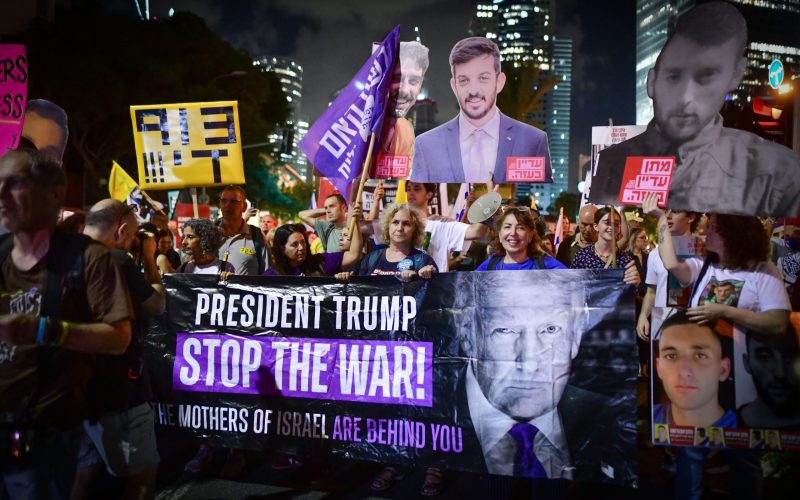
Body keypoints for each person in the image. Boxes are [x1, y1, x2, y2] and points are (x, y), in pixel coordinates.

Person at [0, 149, 133, 499]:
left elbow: (119, 337)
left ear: (54, 194)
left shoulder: (87, 258)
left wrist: (46, 330)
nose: (1, 195)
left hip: (47, 438)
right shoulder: (0, 254)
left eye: (14, 184)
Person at [590, 1, 800, 217]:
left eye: (706, 76)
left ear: (736, 76)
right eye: (673, 76)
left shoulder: (778, 171)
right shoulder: (612, 161)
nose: (685, 97)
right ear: (651, 81)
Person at [454, 270, 588, 480]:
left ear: (576, 336)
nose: (529, 364)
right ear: (468, 335)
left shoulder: (607, 423)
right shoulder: (429, 415)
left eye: (551, 329)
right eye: (505, 330)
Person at [75, 199, 165, 499]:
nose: (131, 244)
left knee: (82, 473)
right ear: (122, 230)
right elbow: (156, 304)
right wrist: (151, 260)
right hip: (118, 391)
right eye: (131, 237)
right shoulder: (116, 259)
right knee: (142, 477)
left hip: (73, 389)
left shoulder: (59, 253)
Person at [410, 36, 552, 183]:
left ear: (499, 82)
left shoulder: (534, 142)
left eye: (483, 78)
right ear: (454, 86)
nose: (473, 90)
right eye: (464, 80)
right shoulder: (426, 145)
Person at [653, 311, 734, 428]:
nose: (684, 372)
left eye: (700, 356)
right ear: (659, 368)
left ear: (723, 370)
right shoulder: (645, 424)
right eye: (671, 356)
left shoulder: (745, 426)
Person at [387, 181, 487, 272]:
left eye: (416, 189)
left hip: (434, 288)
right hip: (404, 288)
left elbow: (477, 232)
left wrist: (487, 204)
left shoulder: (442, 224)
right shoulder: (397, 223)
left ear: (429, 194)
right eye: (408, 189)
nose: (411, 193)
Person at [637, 210, 699, 341]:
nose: (668, 216)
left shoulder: (701, 252)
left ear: (691, 218)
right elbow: (651, 292)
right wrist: (643, 315)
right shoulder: (654, 255)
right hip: (663, 325)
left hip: (695, 326)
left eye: (676, 211)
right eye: (666, 211)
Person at [737, 327, 800, 428]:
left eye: (789, 356)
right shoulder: (729, 422)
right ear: (747, 363)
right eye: (765, 357)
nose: (781, 373)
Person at [378, 41, 429, 158]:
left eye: (413, 81)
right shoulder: (352, 125)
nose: (404, 90)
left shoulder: (406, 131)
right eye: (396, 78)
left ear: (420, 85)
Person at [476, 206, 566, 271]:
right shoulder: (490, 266)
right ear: (499, 234)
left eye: (520, 228)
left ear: (530, 235)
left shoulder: (546, 265)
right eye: (507, 227)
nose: (513, 233)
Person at [264, 219, 362, 278]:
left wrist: (356, 221)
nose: (301, 248)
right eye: (295, 244)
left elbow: (353, 255)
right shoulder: (272, 276)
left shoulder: (321, 262)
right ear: (282, 249)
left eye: (303, 242)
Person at [570, 207, 641, 287]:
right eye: (607, 223)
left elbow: (630, 294)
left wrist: (636, 283)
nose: (611, 227)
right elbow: (572, 287)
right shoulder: (582, 256)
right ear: (596, 226)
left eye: (616, 224)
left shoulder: (625, 260)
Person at [216, 185, 269, 275]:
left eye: (233, 201)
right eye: (224, 201)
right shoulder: (209, 233)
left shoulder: (256, 235)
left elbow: (268, 273)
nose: (227, 205)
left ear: (244, 206)